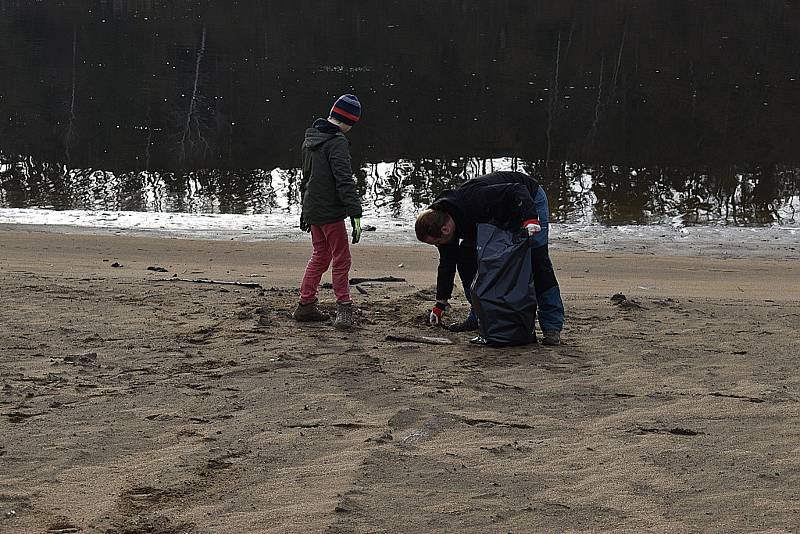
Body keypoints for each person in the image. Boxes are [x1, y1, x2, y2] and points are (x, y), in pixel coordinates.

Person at [415, 171, 564, 345]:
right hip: (496, 215)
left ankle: (552, 327)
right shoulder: (445, 221)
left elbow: (518, 190)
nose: (439, 246)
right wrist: (440, 303)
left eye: (438, 242)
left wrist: (530, 219)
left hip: (528, 200)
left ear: (445, 230)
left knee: (538, 261)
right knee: (466, 258)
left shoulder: (475, 198)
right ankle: (479, 316)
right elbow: (447, 263)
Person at [293, 94, 363, 329]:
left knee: (320, 255)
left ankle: (306, 304)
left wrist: (305, 211)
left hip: (313, 208)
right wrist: (355, 214)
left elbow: (306, 179)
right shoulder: (337, 141)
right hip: (331, 212)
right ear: (349, 122)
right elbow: (344, 180)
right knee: (341, 259)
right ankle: (344, 309)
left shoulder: (310, 138)